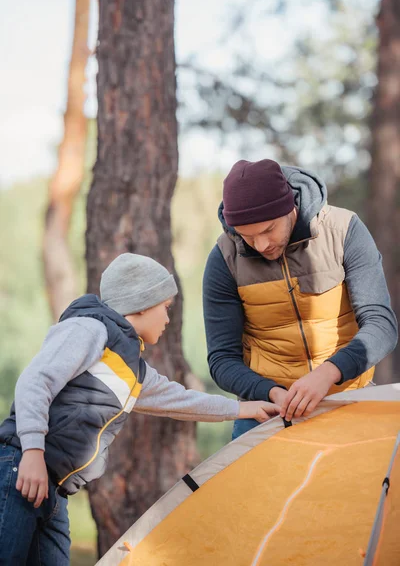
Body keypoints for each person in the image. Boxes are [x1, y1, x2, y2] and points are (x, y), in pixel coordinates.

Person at [0, 253, 278, 565]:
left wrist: (249, 409)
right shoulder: (90, 329)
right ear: (142, 303)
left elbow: (182, 401)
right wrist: (33, 452)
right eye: (166, 307)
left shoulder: (133, 369)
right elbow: (35, 382)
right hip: (22, 467)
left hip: (56, 490)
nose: (168, 319)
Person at [203, 159, 398, 440]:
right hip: (269, 412)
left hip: (351, 400)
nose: (261, 245)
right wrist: (272, 393)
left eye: (268, 230)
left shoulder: (344, 230)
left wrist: (329, 373)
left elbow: (382, 325)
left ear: (289, 207)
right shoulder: (225, 259)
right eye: (247, 236)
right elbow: (222, 359)